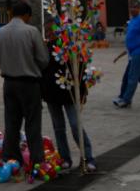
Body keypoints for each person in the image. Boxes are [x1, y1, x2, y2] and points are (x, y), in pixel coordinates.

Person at [0, 0, 49, 167]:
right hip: (29, 84)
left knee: (11, 122)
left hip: (9, 83)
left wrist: (9, 66)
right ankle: (36, 160)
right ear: (26, 15)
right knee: (33, 122)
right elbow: (43, 60)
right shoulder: (32, 31)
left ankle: (11, 158)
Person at [42, 23, 97, 172]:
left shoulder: (71, 49)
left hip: (70, 93)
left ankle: (87, 157)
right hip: (51, 93)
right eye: (47, 31)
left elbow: (80, 70)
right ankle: (65, 157)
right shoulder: (44, 49)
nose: (49, 34)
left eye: (52, 30)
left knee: (75, 125)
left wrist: (83, 92)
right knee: (58, 127)